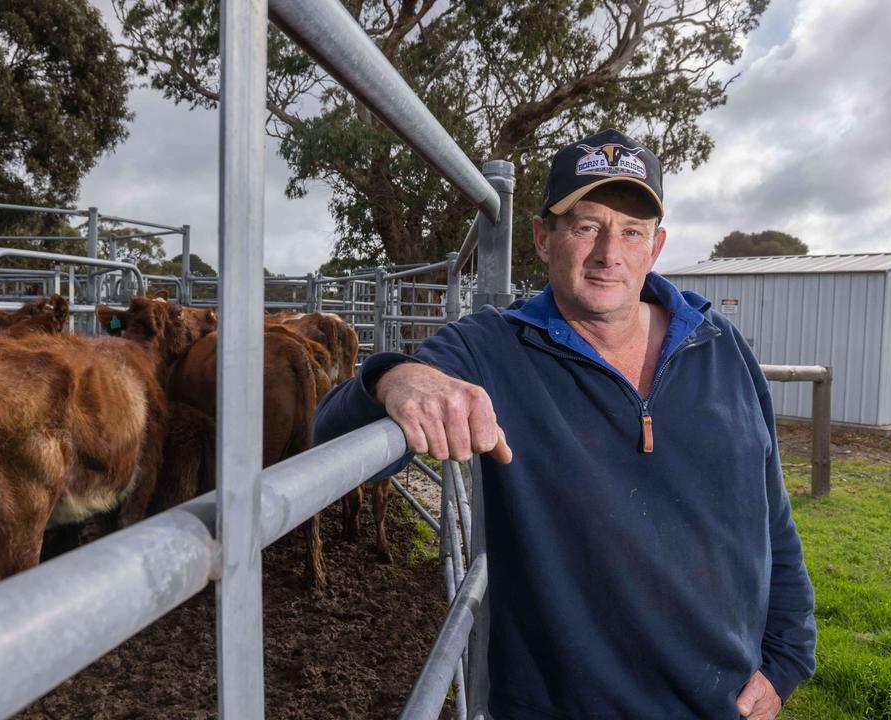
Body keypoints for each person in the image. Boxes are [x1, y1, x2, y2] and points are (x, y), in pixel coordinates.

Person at [313, 128, 816, 719]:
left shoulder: (720, 346)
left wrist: (785, 657)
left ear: (655, 249)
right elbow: (330, 438)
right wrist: (394, 380)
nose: (610, 253)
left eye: (631, 232)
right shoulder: (494, 349)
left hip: (724, 704)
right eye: (585, 226)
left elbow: (770, 513)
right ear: (542, 238)